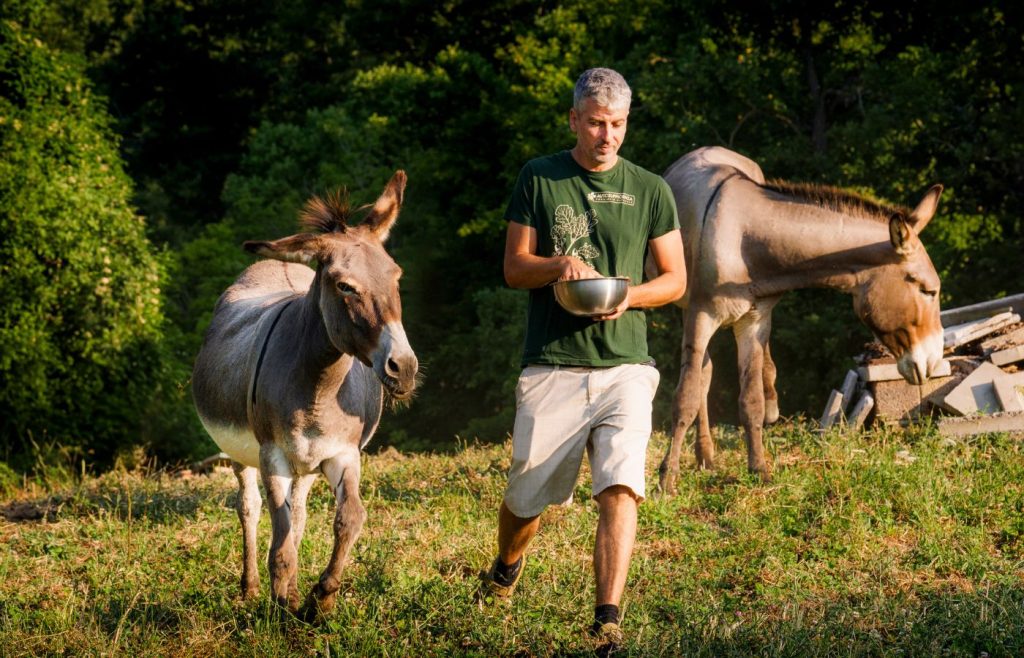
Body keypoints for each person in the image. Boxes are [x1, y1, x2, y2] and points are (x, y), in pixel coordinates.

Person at [479, 67, 687, 654]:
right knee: (526, 500)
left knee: (620, 485)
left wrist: (625, 296)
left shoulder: (651, 189)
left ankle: (607, 620)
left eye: (617, 124)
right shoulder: (539, 178)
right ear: (574, 120)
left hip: (627, 365)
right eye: (596, 123)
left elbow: (674, 280)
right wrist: (559, 267)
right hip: (553, 363)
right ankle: (506, 568)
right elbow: (515, 268)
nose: (607, 136)